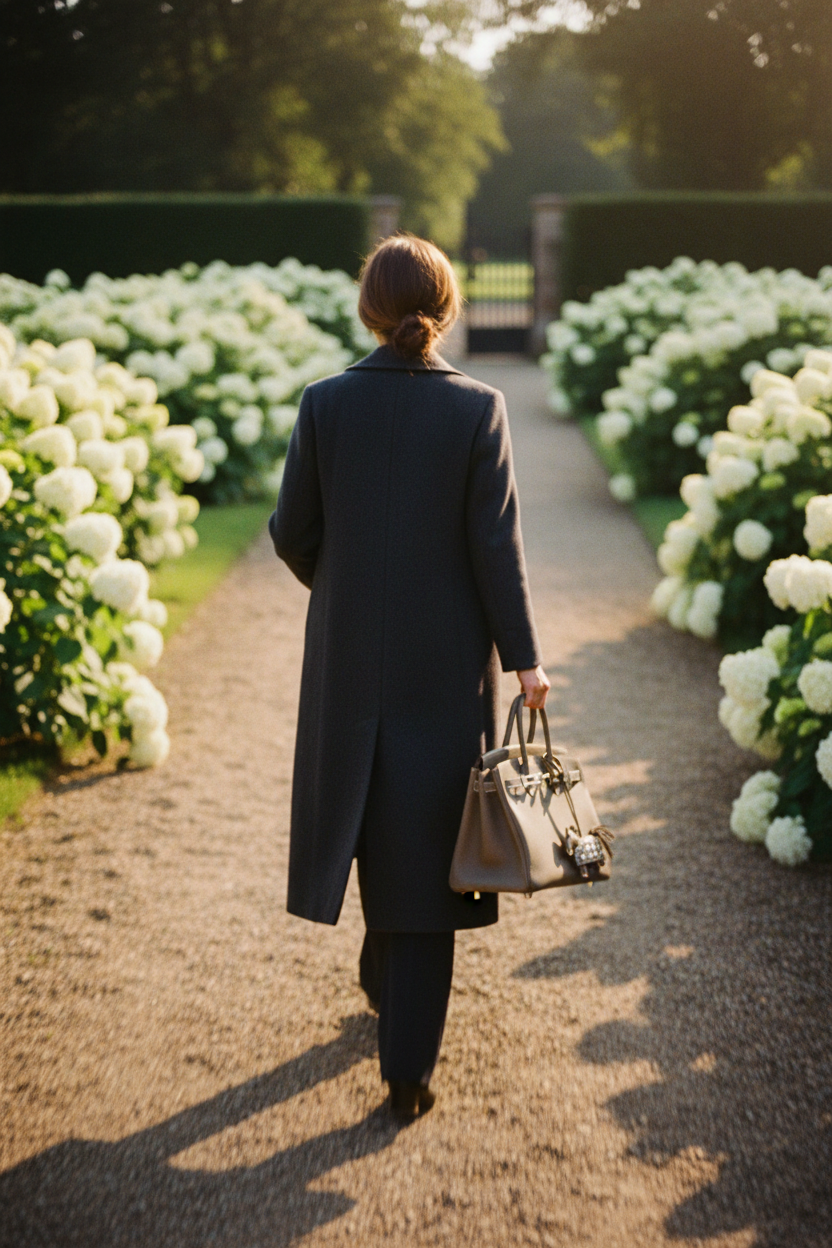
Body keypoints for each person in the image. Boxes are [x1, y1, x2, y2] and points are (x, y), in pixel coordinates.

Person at [269, 234, 549, 1121]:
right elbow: (496, 549)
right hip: (447, 664)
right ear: (448, 306)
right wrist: (526, 659)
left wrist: (346, 591)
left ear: (369, 309)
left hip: (348, 654)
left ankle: (381, 978)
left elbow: (290, 531)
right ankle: (409, 1072)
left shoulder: (324, 402)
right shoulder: (478, 407)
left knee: (361, 814)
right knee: (430, 851)